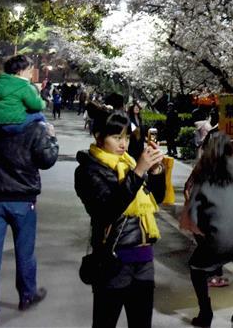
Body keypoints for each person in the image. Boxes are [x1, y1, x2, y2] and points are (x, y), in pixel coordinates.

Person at [0, 64, 59, 328]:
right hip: (23, 198)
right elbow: (46, 160)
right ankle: (27, 295)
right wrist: (53, 141)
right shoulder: (36, 127)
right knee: (25, 252)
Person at [74, 104, 166, 328]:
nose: (123, 143)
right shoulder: (89, 169)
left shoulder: (130, 163)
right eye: (116, 137)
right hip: (113, 260)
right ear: (98, 136)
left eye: (125, 137)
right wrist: (138, 173)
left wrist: (155, 172)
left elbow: (158, 198)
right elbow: (108, 209)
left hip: (143, 257)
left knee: (141, 323)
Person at [183, 132, 233, 327]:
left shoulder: (204, 169)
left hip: (221, 235)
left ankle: (205, 313)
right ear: (230, 147)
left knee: (196, 267)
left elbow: (192, 208)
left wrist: (202, 230)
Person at [0, 55, 47, 133]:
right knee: (39, 115)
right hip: (13, 124)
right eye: (30, 72)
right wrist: (44, 103)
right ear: (21, 71)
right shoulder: (24, 85)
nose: (31, 75)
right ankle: (46, 138)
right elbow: (36, 105)